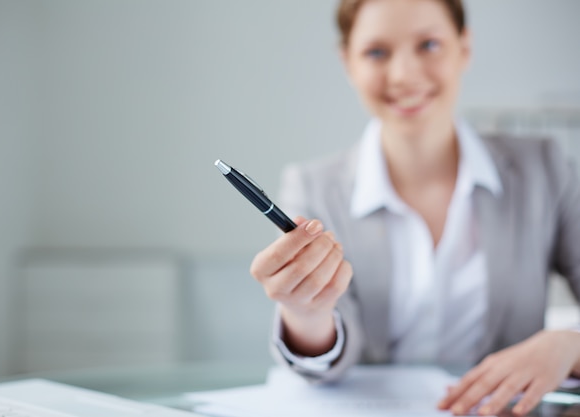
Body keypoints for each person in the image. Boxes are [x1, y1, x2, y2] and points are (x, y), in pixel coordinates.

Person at [248, 0, 580, 416]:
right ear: (347, 61)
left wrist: (569, 345)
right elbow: (323, 358)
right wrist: (306, 312)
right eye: (376, 52)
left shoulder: (543, 170)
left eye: (428, 45)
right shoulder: (313, 188)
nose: (404, 75)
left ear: (464, 47)